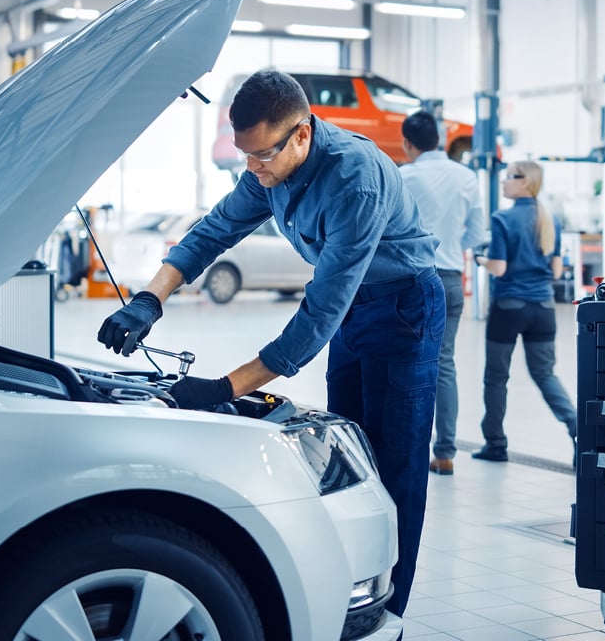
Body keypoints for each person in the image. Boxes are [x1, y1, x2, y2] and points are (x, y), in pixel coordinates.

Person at [97, 69, 444, 618]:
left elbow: (318, 314)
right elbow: (215, 230)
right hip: (358, 306)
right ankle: (355, 601)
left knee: (396, 468)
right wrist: (150, 299)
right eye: (246, 157)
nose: (253, 170)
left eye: (262, 156)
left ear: (301, 134)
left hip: (404, 309)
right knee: (352, 456)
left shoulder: (355, 178)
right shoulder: (270, 168)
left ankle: (388, 616)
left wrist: (223, 388)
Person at [397, 110, 486, 476]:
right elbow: (476, 237)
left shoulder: (403, 177)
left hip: (412, 280)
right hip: (451, 279)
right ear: (440, 139)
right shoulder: (467, 178)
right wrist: (449, 247)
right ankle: (445, 452)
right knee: (443, 364)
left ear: (406, 143)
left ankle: (408, 448)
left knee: (405, 363)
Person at [471, 161, 578, 465]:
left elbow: (500, 268)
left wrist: (480, 260)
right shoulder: (549, 219)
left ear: (525, 182)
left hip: (509, 307)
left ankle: (495, 443)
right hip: (543, 308)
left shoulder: (503, 219)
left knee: (496, 377)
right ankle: (577, 426)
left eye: (508, 178)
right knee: (545, 374)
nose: (503, 183)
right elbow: (556, 269)